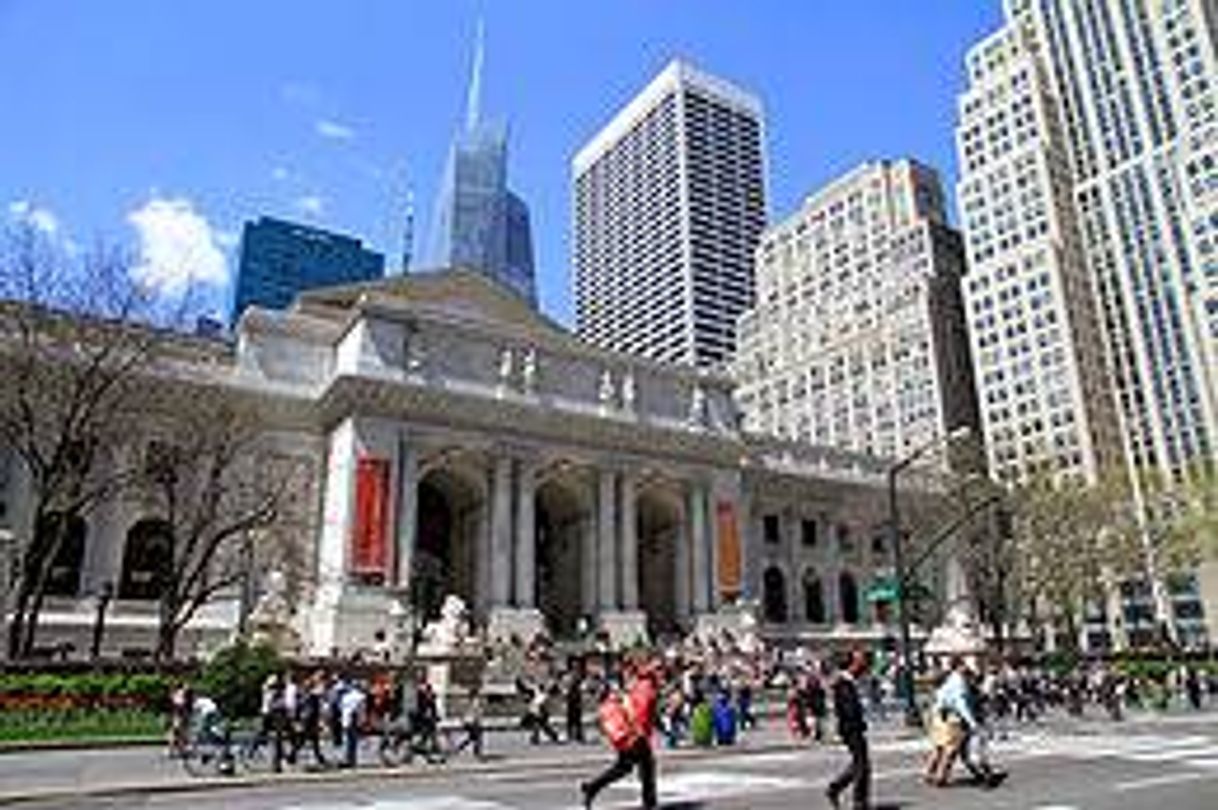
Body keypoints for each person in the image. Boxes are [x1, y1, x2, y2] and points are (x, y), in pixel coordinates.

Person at [579, 681, 657, 810]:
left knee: (623, 768)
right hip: (634, 739)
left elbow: (605, 729)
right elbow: (634, 716)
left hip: (623, 743)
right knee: (647, 768)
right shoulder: (618, 703)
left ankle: (592, 787)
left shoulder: (604, 709)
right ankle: (649, 803)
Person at [826, 650, 871, 810]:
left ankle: (835, 788)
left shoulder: (848, 681)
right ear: (852, 664)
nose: (864, 666)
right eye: (860, 662)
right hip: (851, 729)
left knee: (859, 764)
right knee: (863, 766)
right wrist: (858, 715)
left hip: (853, 728)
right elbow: (848, 709)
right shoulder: (843, 683)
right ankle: (859, 802)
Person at [338, 677, 366, 768]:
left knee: (346, 740)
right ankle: (351, 760)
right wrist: (362, 721)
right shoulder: (361, 696)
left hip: (345, 719)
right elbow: (361, 710)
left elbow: (341, 708)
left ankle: (346, 759)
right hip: (353, 719)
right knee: (353, 742)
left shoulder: (345, 696)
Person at [452, 685, 485, 759]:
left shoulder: (469, 701)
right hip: (473, 722)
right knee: (477, 738)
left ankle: (459, 748)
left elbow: (463, 712)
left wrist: (463, 720)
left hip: (469, 722)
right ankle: (477, 753)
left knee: (473, 738)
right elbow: (476, 712)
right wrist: (477, 720)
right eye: (477, 694)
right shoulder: (475, 702)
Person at [566, 666, 586, 744]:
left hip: (576, 700)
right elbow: (566, 689)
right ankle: (572, 735)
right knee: (571, 719)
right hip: (571, 700)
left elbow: (582, 689)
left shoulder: (578, 678)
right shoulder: (569, 677)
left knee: (577, 720)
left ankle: (578, 735)